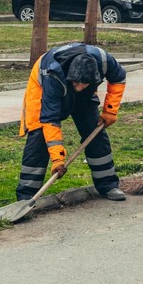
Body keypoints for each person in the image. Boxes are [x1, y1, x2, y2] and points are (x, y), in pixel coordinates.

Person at [16, 43, 127, 201]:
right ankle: (27, 196)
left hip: (85, 95)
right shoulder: (52, 74)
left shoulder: (104, 61)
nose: (79, 88)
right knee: (39, 136)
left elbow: (119, 79)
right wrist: (58, 159)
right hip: (43, 89)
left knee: (95, 133)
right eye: (76, 84)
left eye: (84, 84)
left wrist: (110, 110)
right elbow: (50, 119)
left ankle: (108, 185)